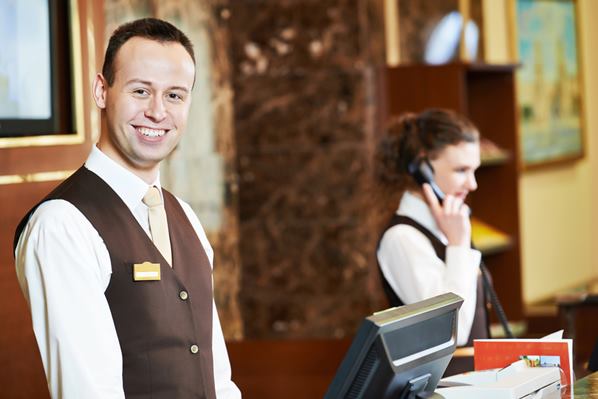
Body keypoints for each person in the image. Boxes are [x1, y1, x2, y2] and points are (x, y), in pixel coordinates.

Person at [14, 18, 241, 399]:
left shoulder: (184, 215)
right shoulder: (62, 224)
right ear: (102, 91)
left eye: (175, 95)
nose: (157, 112)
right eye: (140, 91)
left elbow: (217, 381)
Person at [375, 108, 488, 349]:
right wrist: (458, 245)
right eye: (461, 170)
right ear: (421, 168)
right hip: (445, 386)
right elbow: (455, 331)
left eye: (474, 170)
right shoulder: (402, 238)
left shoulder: (447, 227)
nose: (473, 184)